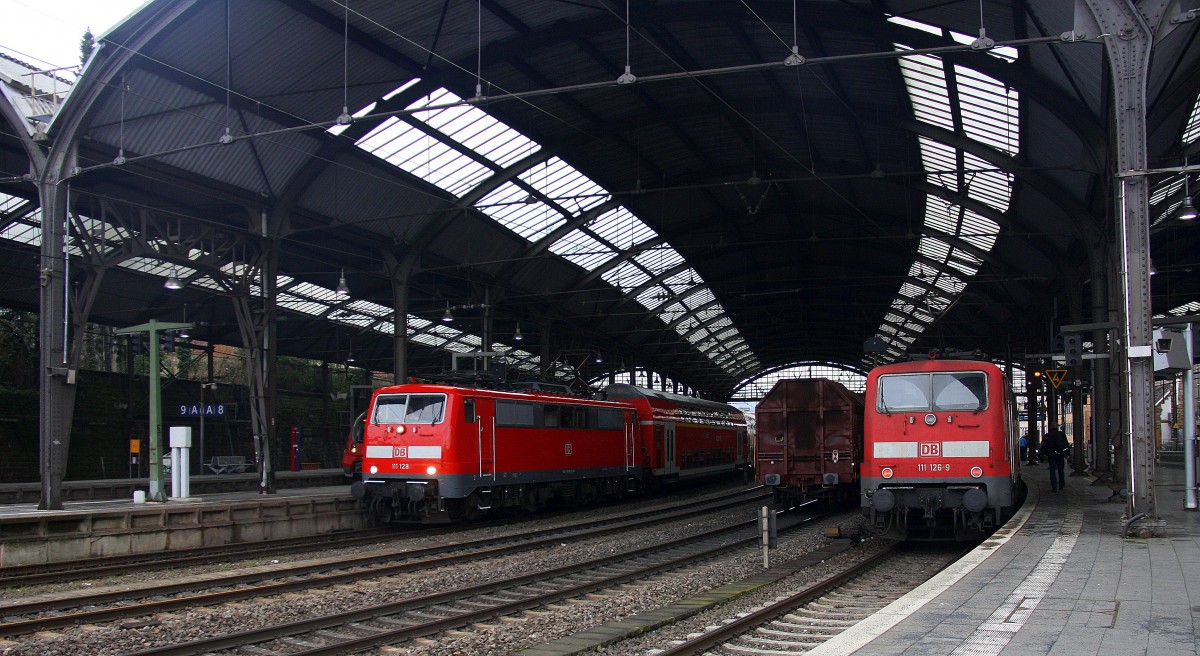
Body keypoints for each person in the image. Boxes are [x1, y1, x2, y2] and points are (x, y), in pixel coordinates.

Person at [1040, 425, 1070, 492]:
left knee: (1052, 471)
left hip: (1052, 455)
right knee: (1061, 470)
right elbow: (1066, 444)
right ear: (1057, 428)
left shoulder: (1047, 435)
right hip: (1060, 455)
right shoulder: (1062, 434)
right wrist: (1067, 454)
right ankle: (1061, 485)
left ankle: (1054, 486)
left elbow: (1044, 446)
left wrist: (1043, 454)